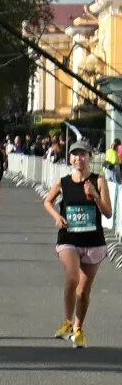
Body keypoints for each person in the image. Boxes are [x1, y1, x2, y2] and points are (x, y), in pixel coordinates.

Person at [42, 143, 111, 347]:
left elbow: (108, 212)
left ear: (89, 157)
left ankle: (78, 329)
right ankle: (67, 321)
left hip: (93, 242)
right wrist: (56, 215)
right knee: (72, 276)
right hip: (68, 238)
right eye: (74, 155)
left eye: (82, 155)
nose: (78, 159)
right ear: (70, 159)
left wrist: (96, 196)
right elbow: (47, 201)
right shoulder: (63, 182)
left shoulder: (99, 180)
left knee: (83, 291)